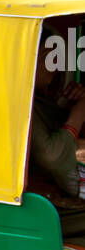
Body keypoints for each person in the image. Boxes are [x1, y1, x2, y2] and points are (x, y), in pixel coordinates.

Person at [28, 34, 85, 235]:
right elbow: (52, 157)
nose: (55, 64)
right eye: (46, 55)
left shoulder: (49, 98)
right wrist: (79, 112)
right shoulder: (21, 103)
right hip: (43, 204)